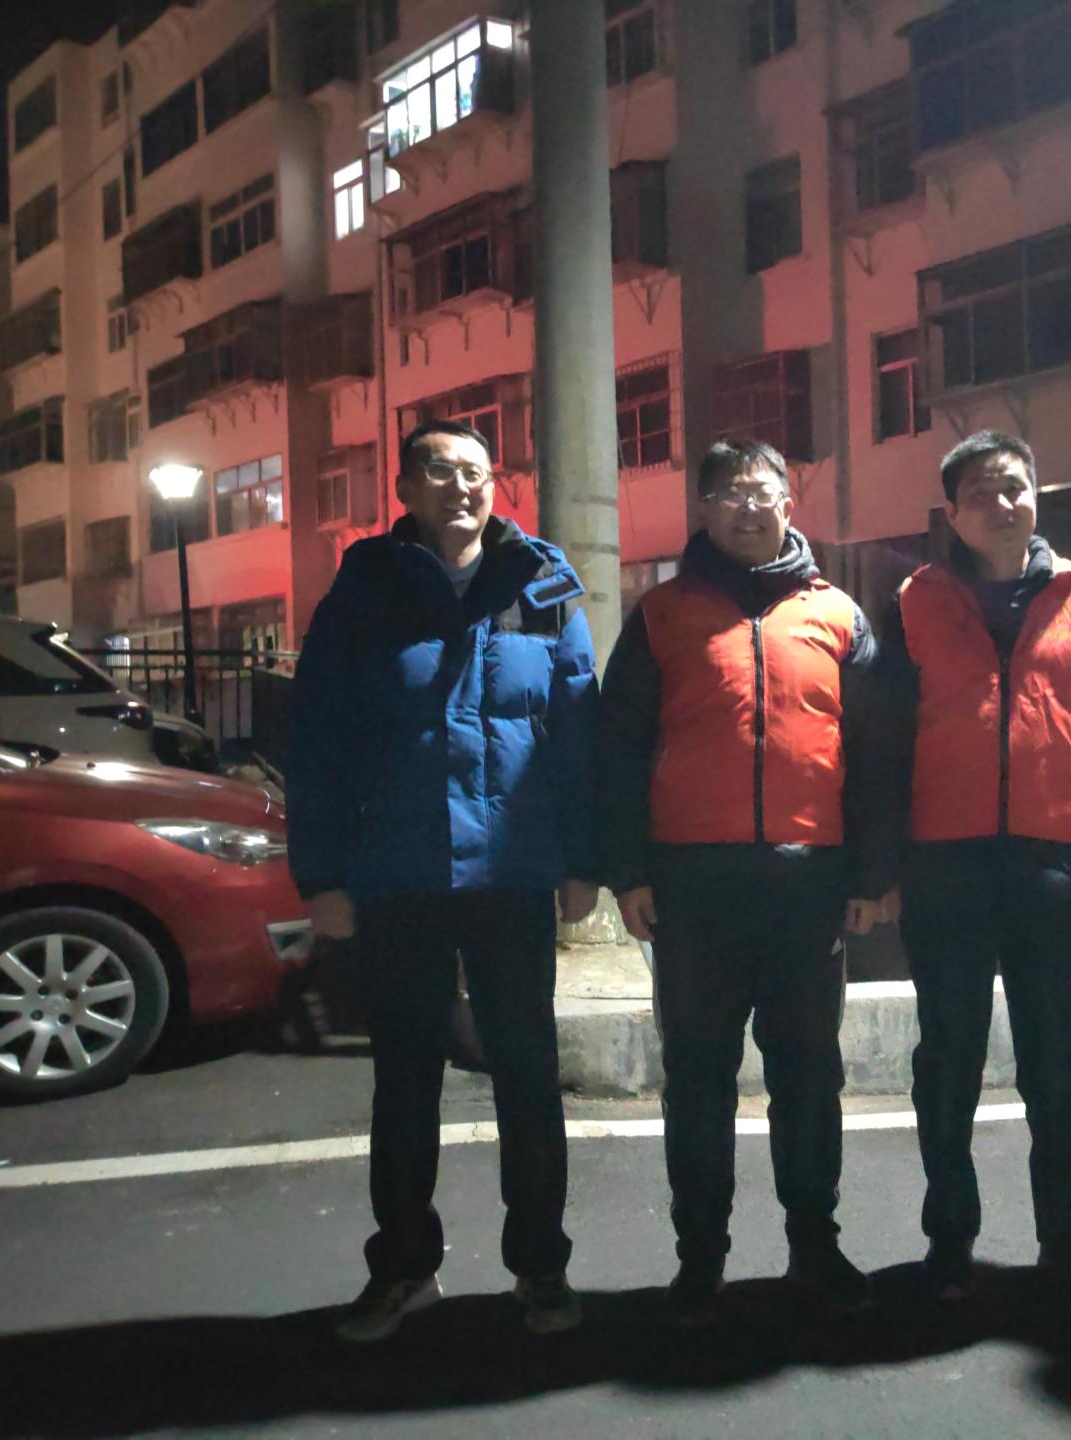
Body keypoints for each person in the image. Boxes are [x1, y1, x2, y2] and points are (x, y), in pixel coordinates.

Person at [286, 419, 601, 1342]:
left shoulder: (541, 583)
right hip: (398, 875)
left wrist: (584, 861)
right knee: (405, 1079)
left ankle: (540, 1265)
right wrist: (322, 876)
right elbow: (316, 740)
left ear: (494, 485)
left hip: (511, 873)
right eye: (439, 470)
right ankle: (403, 1269)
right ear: (405, 489)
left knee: (528, 1076)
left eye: (475, 471)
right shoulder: (365, 589)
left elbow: (579, 733)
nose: (461, 486)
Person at [598, 438, 892, 1326]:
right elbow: (618, 751)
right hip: (694, 886)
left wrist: (871, 873)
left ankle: (814, 1245)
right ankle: (702, 1256)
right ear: (703, 508)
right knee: (698, 1079)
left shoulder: (837, 614)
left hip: (809, 884)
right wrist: (628, 873)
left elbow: (875, 757)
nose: (749, 507)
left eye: (764, 491)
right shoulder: (661, 615)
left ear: (789, 503)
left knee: (808, 1074)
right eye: (729, 493)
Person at [876, 431, 1071, 1302]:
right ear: (952, 513)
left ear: (1038, 496)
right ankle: (950, 1239)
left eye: (1014, 486)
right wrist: (883, 864)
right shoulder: (912, 599)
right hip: (943, 860)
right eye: (981, 493)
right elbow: (882, 739)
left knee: (1056, 1056)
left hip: (1053, 856)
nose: (1001, 504)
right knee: (947, 1055)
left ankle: (1069, 1237)